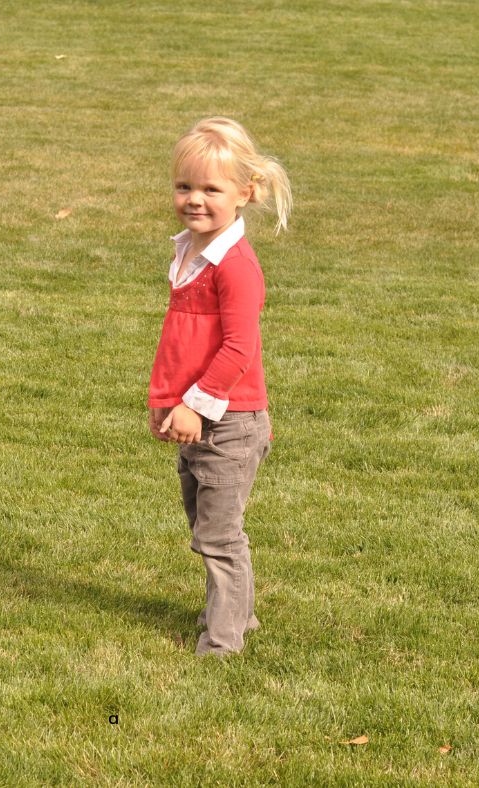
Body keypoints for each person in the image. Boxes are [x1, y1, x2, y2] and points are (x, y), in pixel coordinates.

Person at [147, 117, 292, 656]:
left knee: (218, 535)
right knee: (205, 523)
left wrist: (196, 408)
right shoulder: (188, 252)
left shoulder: (234, 266)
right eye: (184, 187)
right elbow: (182, 342)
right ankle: (240, 614)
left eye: (211, 189)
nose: (194, 199)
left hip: (229, 420)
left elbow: (238, 350)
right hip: (194, 414)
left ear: (244, 193)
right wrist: (165, 403)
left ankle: (224, 641)